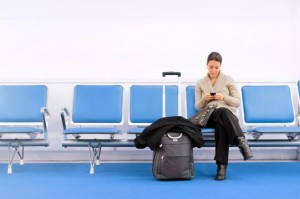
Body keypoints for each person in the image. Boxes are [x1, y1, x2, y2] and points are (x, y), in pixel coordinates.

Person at [195, 51, 253, 181]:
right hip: (209, 115)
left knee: (222, 122)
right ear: (206, 66)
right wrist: (205, 98)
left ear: (220, 66)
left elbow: (237, 101)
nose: (213, 70)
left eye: (216, 67)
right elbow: (198, 106)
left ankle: (221, 167)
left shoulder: (228, 79)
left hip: (227, 117)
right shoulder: (201, 83)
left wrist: (223, 97)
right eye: (211, 67)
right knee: (221, 111)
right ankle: (240, 141)